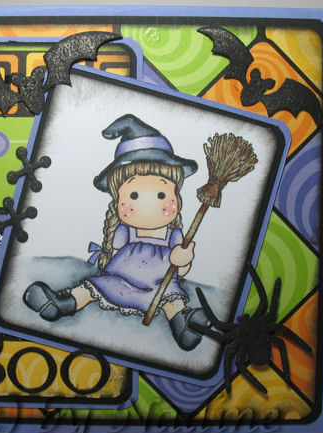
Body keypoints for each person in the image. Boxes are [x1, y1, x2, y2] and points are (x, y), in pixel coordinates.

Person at [23, 114, 209, 351]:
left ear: (175, 197)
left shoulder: (174, 236)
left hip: (160, 284)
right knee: (94, 286)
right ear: (118, 201)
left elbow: (180, 271)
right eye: (134, 195)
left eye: (161, 194)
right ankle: (63, 303)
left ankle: (183, 324)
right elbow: (115, 254)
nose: (148, 204)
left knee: (172, 299)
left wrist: (182, 260)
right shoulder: (124, 230)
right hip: (120, 279)